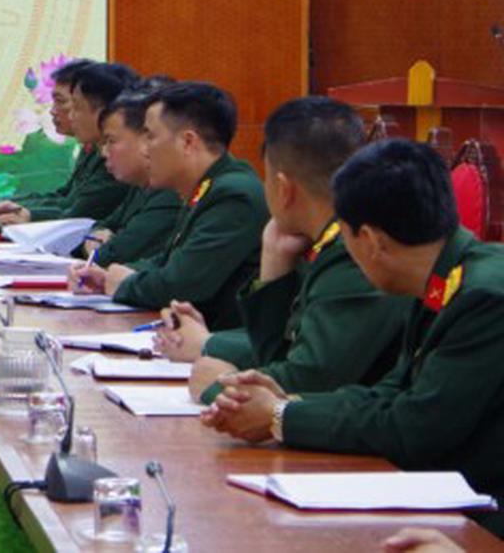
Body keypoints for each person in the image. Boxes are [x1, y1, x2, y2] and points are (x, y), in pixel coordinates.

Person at [203, 138, 504, 537]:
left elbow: (415, 428)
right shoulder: (444, 277)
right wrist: (285, 405)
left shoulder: (483, 296)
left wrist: (279, 417)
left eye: (345, 237)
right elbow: (392, 391)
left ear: (372, 241)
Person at [156, 97, 404, 402]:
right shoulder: (319, 239)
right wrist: (274, 267)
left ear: (284, 189)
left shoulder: (354, 252)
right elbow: (284, 352)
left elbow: (309, 378)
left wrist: (219, 387)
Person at [72, 81, 266, 329]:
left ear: (187, 142)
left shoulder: (233, 195)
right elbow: (168, 261)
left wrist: (123, 283)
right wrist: (108, 276)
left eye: (150, 137)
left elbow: (181, 284)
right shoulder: (206, 186)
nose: (144, 150)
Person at [0, 59, 133, 223]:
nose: (53, 111)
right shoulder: (92, 147)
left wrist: (27, 215)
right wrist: (5, 204)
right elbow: (65, 197)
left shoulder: (117, 158)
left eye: (63, 102)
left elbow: (79, 215)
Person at [75, 86, 182, 266]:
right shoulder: (140, 184)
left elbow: (113, 255)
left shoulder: (170, 192)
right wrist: (97, 236)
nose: (104, 153)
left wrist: (97, 246)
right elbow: (103, 226)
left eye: (111, 141)